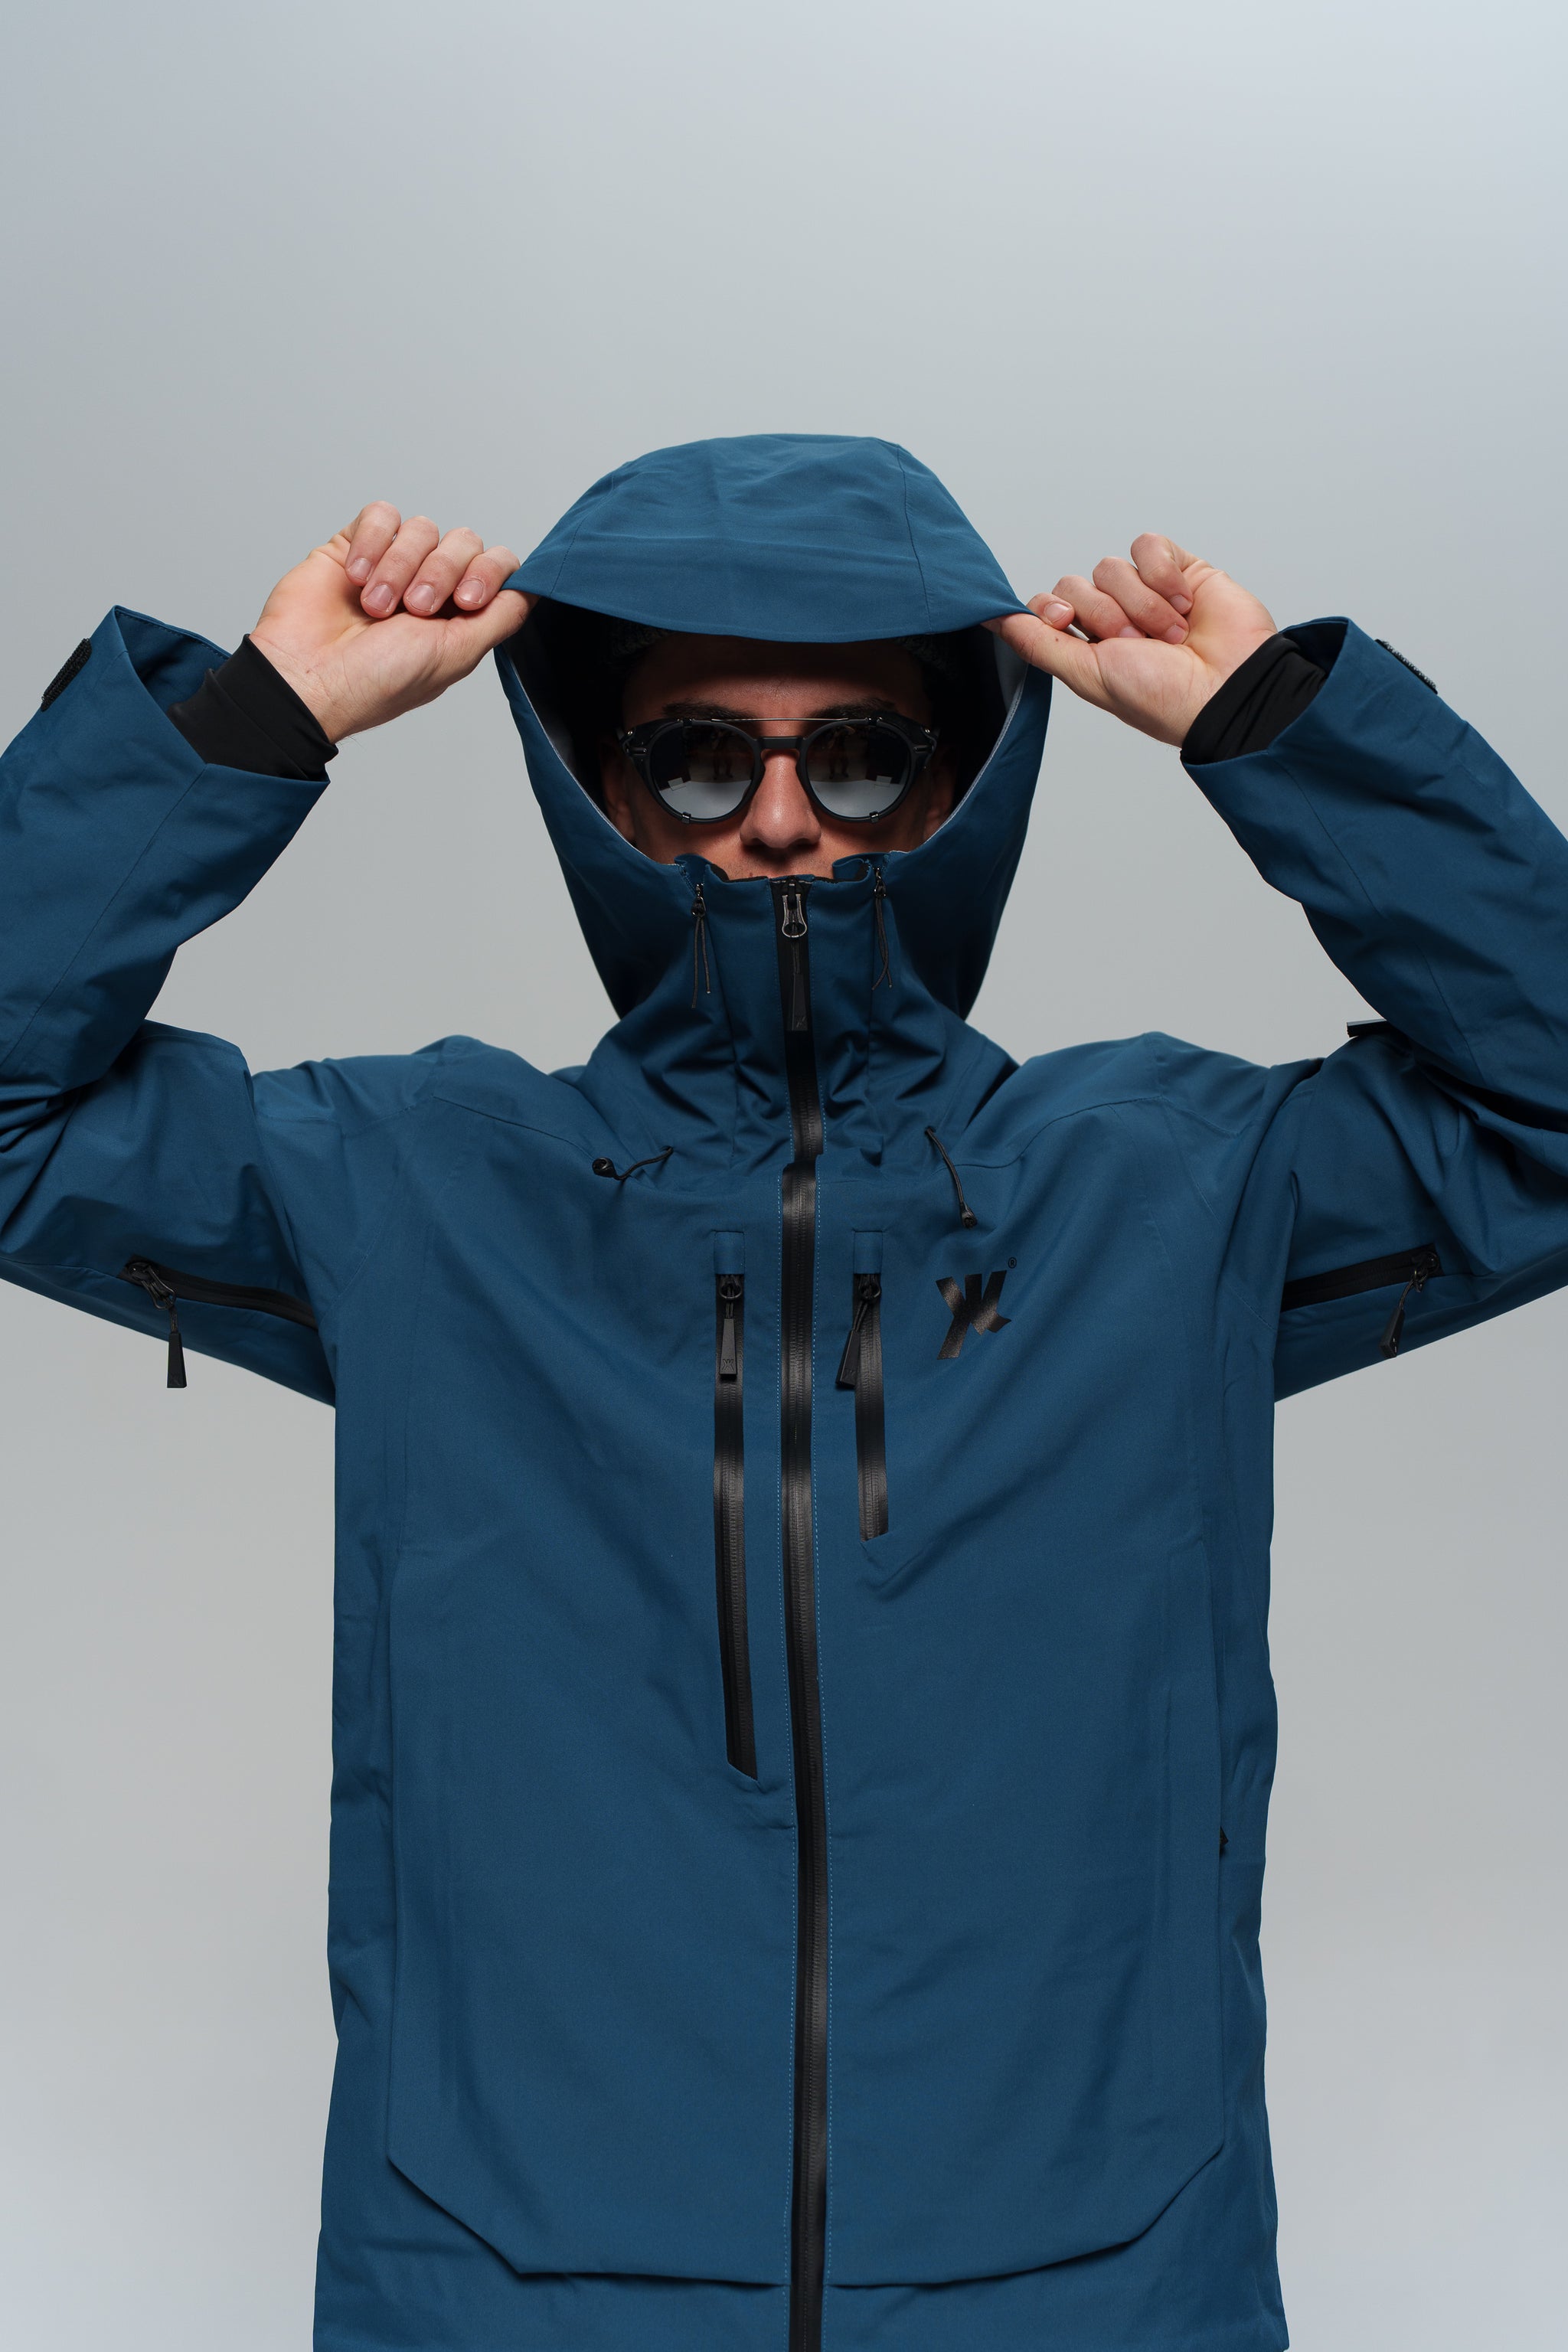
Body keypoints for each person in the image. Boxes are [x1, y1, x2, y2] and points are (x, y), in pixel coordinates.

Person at [2, 433, 1564, 2352]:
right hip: (505, 2287)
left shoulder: (1163, 1185)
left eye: (860, 756)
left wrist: (1278, 731)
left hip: (1096, 2279)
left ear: (958, 785)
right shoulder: (425, 1186)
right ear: (599, 789)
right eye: (693, 757)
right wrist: (251, 721)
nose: (776, 818)